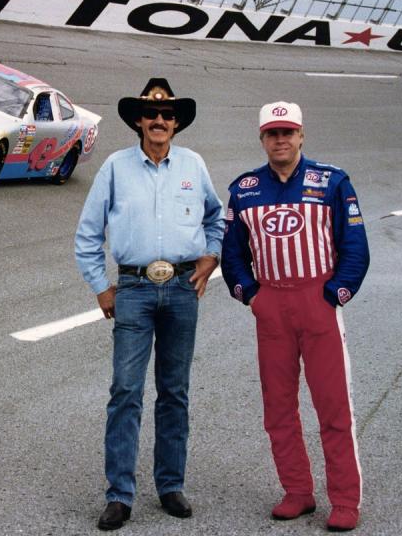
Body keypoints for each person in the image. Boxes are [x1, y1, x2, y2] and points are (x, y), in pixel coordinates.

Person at [75, 79, 225, 531]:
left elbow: (216, 217)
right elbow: (87, 233)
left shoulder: (193, 165)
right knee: (125, 391)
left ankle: (170, 486)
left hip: (182, 289)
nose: (159, 120)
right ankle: (120, 495)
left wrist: (210, 257)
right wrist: (102, 286)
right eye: (151, 113)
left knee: (174, 393)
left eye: (168, 115)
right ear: (138, 120)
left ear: (176, 123)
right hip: (135, 291)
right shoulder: (116, 168)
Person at [220, 101, 370, 532]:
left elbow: (355, 245)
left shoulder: (332, 182)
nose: (280, 140)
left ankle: (344, 499)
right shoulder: (244, 189)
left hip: (316, 301)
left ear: (301, 135)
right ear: (262, 138)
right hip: (272, 307)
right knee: (278, 409)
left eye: (288, 132)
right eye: (272, 133)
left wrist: (334, 294)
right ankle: (298, 492)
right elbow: (233, 253)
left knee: (333, 408)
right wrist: (250, 295)